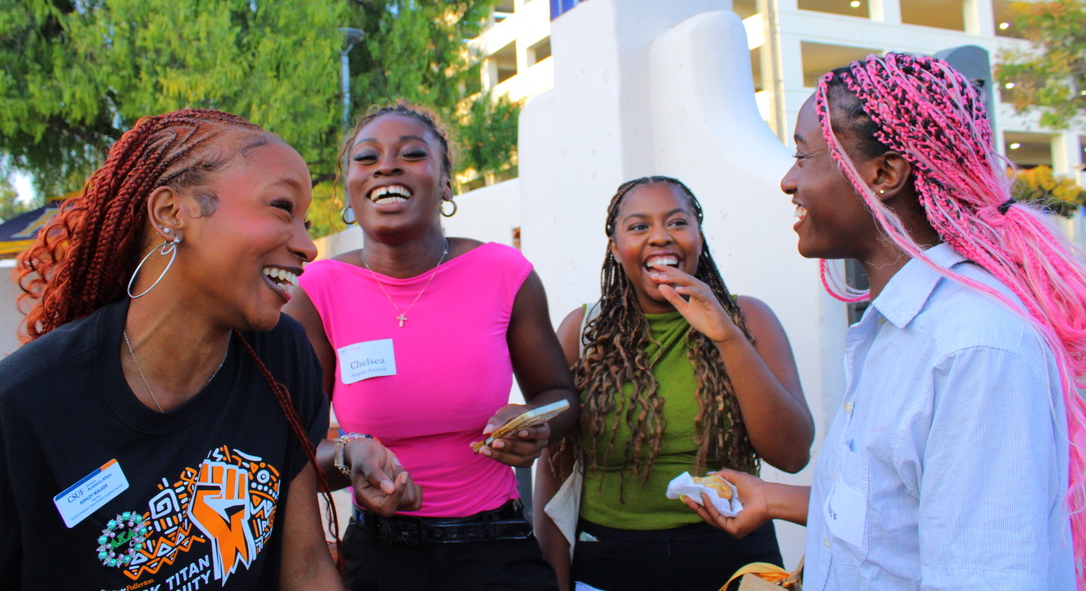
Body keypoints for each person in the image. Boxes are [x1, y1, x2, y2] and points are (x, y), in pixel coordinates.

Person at [686, 53, 1086, 589]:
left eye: (804, 157)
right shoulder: (896, 328)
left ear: (884, 173)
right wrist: (773, 499)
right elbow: (897, 515)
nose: (788, 180)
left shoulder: (974, 348)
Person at [0, 109, 344, 590]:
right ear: (170, 213)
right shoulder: (23, 406)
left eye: (307, 222)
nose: (308, 246)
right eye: (283, 208)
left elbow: (305, 568)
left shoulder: (282, 357)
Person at [284, 102, 578, 591]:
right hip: (379, 556)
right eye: (366, 157)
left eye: (413, 153)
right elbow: (294, 453)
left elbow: (561, 397)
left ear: (445, 185)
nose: (387, 165)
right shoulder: (315, 290)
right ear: (349, 194)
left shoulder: (504, 273)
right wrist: (350, 458)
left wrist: (533, 423)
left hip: (497, 547)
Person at [533, 175, 815, 591]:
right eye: (639, 226)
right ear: (615, 247)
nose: (660, 237)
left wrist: (727, 336)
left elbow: (791, 455)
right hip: (610, 562)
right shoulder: (582, 331)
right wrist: (554, 579)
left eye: (677, 223)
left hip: (734, 556)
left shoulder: (749, 319)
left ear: (699, 237)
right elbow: (554, 470)